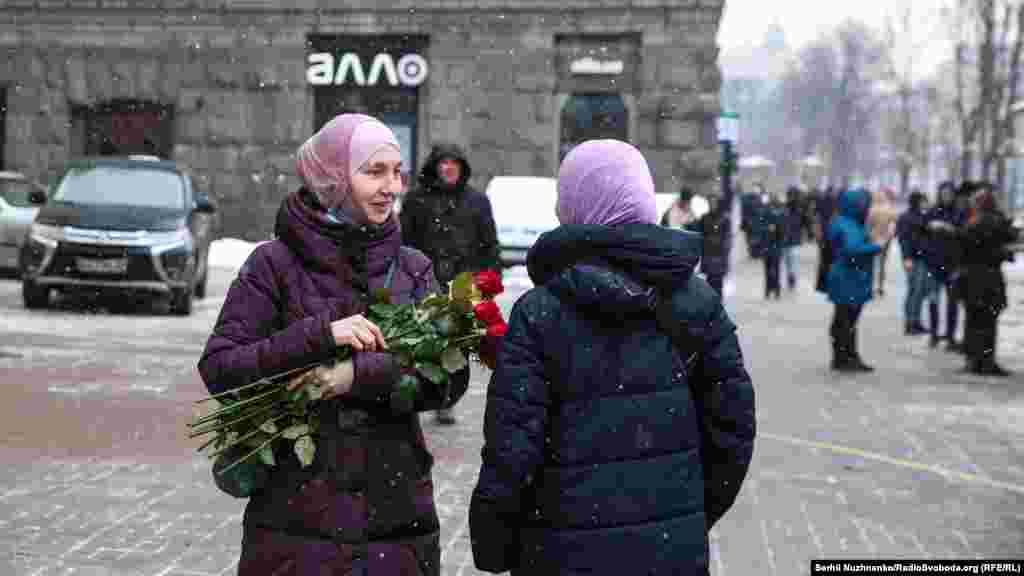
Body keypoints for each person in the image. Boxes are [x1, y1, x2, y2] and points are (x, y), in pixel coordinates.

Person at [197, 113, 469, 576]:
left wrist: (356, 376)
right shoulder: (274, 265)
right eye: (374, 171)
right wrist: (319, 335)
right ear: (333, 178)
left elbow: (448, 379)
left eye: (396, 171)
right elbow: (222, 368)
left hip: (395, 527)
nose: (392, 186)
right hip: (296, 530)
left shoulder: (412, 268)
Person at [468, 139, 756, 576]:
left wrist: (495, 544)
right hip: (669, 555)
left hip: (561, 553)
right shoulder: (696, 303)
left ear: (572, 205)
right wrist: (687, 517)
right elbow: (732, 432)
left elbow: (512, 449)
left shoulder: (542, 312)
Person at [400, 142, 499, 425]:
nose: (449, 168)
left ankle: (446, 398)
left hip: (464, 284)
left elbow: (490, 245)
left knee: (456, 346)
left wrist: (488, 282)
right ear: (435, 167)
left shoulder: (477, 202)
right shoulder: (417, 200)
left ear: (462, 168)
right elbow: (404, 242)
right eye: (444, 163)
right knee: (425, 344)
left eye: (454, 163)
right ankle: (424, 394)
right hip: (425, 283)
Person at [937, 182, 1019, 375]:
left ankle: (974, 360)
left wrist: (948, 232)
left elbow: (965, 243)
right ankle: (986, 361)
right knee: (987, 322)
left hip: (973, 278)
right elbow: (1004, 243)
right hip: (988, 278)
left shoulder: (975, 222)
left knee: (974, 320)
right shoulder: (994, 221)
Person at [826, 188, 884, 372]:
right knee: (847, 320)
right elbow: (851, 250)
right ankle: (846, 357)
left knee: (843, 319)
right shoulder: (849, 224)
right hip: (849, 278)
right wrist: (875, 247)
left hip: (845, 277)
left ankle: (843, 356)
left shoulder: (843, 221)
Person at [922, 181, 967, 351]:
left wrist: (949, 228)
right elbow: (922, 232)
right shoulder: (932, 212)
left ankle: (950, 336)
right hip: (933, 263)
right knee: (933, 299)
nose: (946, 196)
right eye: (943, 193)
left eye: (949, 193)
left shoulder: (959, 212)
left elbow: (964, 234)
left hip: (953, 264)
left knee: (952, 302)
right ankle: (933, 334)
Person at [688, 189, 733, 295]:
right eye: (710, 202)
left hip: (719, 255)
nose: (712, 204)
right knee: (709, 283)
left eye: (714, 202)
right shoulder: (704, 218)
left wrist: (723, 248)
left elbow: (728, 237)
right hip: (708, 255)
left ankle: (718, 304)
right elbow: (698, 232)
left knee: (718, 283)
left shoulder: (724, 219)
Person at [896, 191, 929, 335]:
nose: (925, 203)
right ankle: (911, 322)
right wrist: (907, 258)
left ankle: (914, 320)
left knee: (918, 290)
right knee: (915, 290)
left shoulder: (920, 216)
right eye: (923, 201)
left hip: (920, 258)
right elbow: (903, 240)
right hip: (913, 258)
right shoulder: (908, 217)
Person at [867, 187, 899, 297]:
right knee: (882, 264)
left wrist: (872, 236)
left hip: (873, 239)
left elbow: (868, 226)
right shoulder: (890, 209)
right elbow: (893, 225)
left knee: (872, 264)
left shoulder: (871, 209)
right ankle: (880, 287)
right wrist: (888, 236)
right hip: (885, 240)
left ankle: (871, 287)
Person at [781, 186, 807, 292]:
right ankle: (790, 277)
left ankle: (792, 278)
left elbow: (805, 221)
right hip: (787, 238)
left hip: (793, 238)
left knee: (792, 258)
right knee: (788, 260)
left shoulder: (799, 208)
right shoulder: (785, 208)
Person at [814, 186, 839, 295]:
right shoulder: (837, 202)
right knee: (832, 260)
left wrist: (818, 233)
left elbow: (817, 217)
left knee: (824, 259)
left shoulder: (821, 201)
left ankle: (823, 284)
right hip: (831, 233)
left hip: (824, 234)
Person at [762, 191, 786, 299]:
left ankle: (776, 289)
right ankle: (769, 289)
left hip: (776, 245)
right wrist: (768, 228)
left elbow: (784, 230)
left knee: (776, 268)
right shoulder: (765, 211)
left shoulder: (781, 213)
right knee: (768, 269)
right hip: (767, 245)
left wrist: (777, 229)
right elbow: (760, 226)